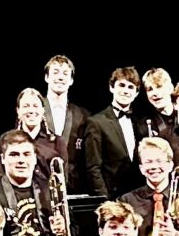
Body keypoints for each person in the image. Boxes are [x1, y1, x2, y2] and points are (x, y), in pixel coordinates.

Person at [0, 129, 66, 236]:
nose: (21, 160)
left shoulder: (52, 190)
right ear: (3, 159)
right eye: (14, 155)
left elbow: (75, 231)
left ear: (35, 158)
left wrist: (63, 228)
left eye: (26, 154)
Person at [82, 65, 146, 200]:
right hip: (110, 198)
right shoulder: (96, 122)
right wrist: (104, 199)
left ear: (136, 93)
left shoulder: (139, 122)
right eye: (121, 85)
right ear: (111, 87)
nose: (125, 91)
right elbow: (93, 168)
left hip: (136, 197)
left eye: (131, 87)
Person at [116, 135, 179, 236]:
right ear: (141, 168)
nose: (154, 167)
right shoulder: (127, 201)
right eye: (148, 162)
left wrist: (176, 235)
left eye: (159, 161)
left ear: (170, 165)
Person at [42, 55, 88, 176]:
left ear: (71, 80)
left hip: (73, 182)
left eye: (65, 73)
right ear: (47, 77)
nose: (60, 77)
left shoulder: (83, 115)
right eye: (55, 72)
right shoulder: (35, 111)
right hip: (41, 180)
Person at [12, 87, 72, 176]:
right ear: (18, 111)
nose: (31, 110)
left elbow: (62, 178)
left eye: (35, 106)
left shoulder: (57, 141)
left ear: (43, 110)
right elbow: (0, 177)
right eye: (26, 106)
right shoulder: (7, 140)